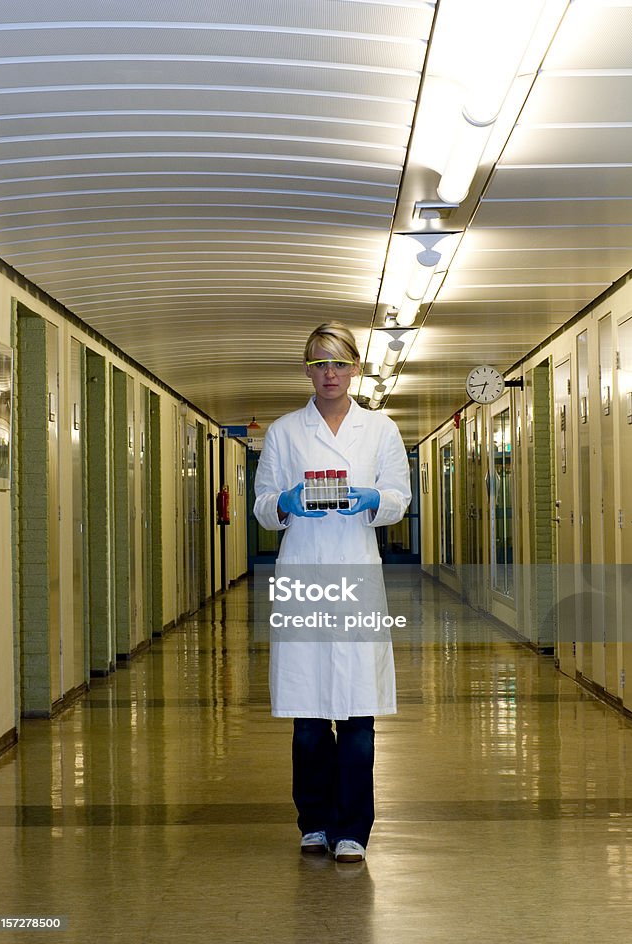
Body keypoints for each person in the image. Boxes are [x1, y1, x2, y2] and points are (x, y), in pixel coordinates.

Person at [253, 320, 411, 863]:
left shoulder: (381, 430)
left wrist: (373, 499)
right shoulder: (283, 431)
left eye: (339, 363)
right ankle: (314, 821)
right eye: (320, 363)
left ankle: (353, 830)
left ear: (356, 369)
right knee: (309, 716)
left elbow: (398, 497)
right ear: (306, 369)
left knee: (359, 712)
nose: (330, 373)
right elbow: (263, 506)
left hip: (357, 575)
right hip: (303, 574)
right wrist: (285, 502)